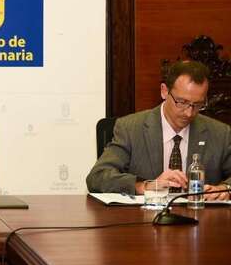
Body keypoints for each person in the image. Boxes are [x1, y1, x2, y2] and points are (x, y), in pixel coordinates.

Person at [86, 61, 231, 200]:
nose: (189, 113)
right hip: (145, 220)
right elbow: (97, 177)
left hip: (200, 220)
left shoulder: (220, 133)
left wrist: (225, 189)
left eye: (198, 104)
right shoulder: (130, 128)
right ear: (164, 91)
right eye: (182, 102)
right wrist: (146, 186)